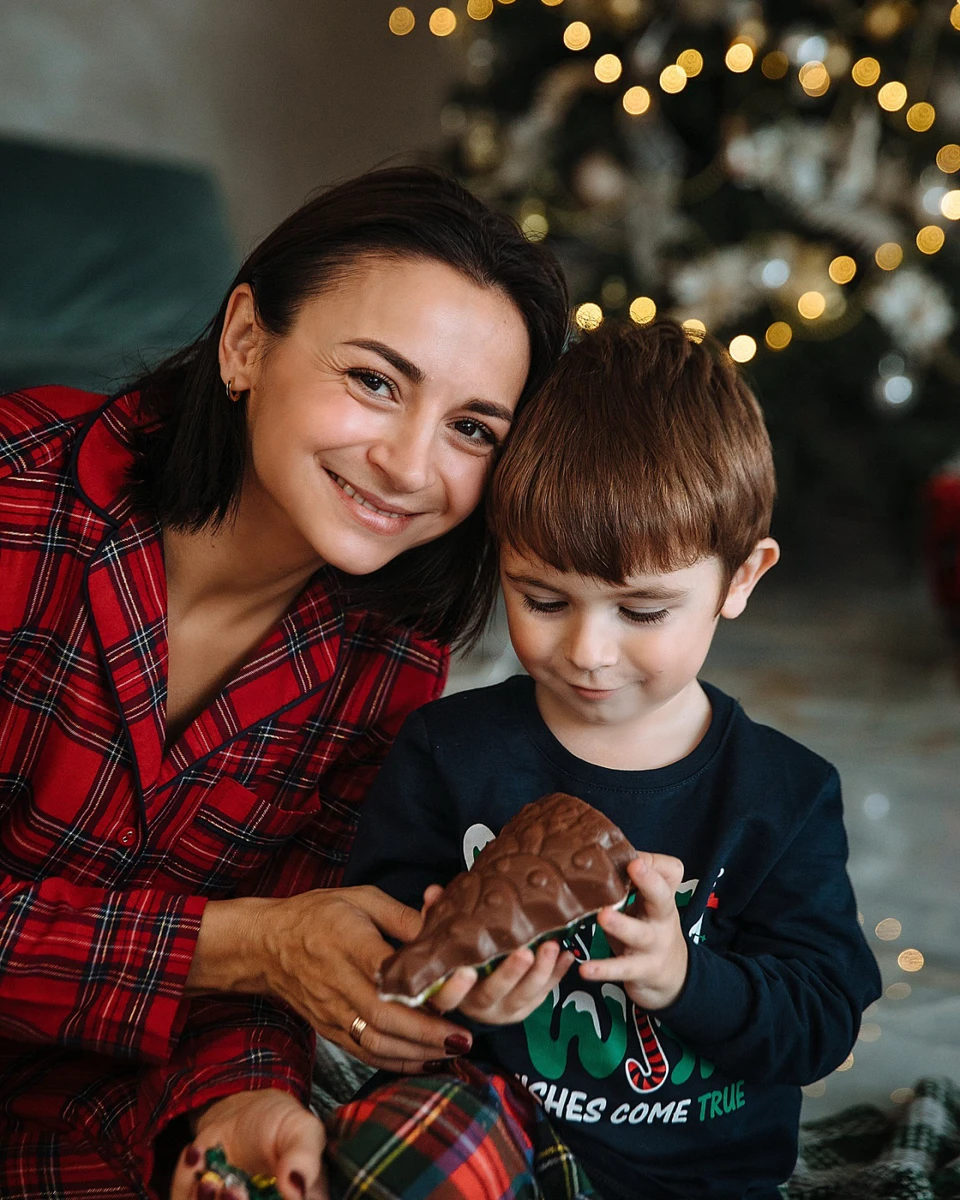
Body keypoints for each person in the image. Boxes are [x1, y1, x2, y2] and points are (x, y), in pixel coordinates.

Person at [0, 165, 570, 1199]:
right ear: (246, 343)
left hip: (89, 1108)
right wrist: (242, 943)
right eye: (376, 381)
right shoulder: (16, 502)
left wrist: (236, 1107)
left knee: (466, 1143)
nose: (408, 464)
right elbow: (256, 945)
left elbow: (276, 955)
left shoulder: (391, 659)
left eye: (472, 428)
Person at [339, 319, 883, 1200]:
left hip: (702, 1178)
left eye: (642, 611)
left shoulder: (783, 795)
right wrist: (461, 997)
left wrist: (683, 977)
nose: (588, 651)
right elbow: (377, 959)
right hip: (502, 1145)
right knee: (376, 1153)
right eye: (543, 598)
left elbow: (821, 1020)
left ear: (741, 579)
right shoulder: (448, 751)